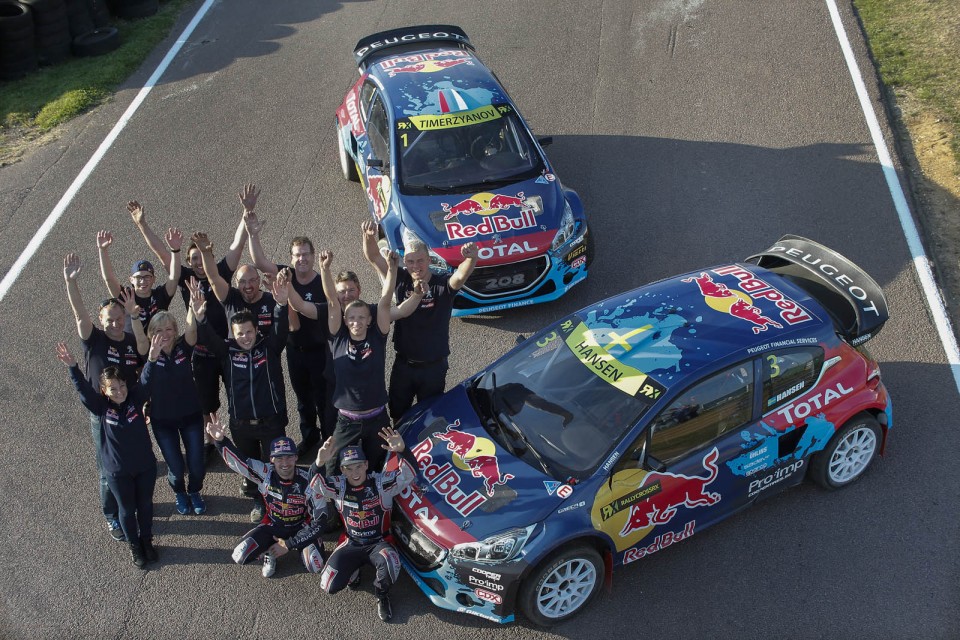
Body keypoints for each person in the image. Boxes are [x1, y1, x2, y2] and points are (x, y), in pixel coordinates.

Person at [127, 193, 250, 444]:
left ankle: (242, 440)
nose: (198, 263)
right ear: (188, 263)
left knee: (238, 396)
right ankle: (210, 443)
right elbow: (162, 253)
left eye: (201, 257)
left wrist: (247, 212)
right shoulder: (185, 279)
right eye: (192, 259)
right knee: (206, 405)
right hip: (200, 352)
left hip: (226, 349)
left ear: (210, 255)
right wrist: (142, 224)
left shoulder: (222, 272)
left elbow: (237, 245)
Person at [57, 334, 164, 569]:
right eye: (113, 388)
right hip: (118, 472)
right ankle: (134, 545)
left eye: (122, 386)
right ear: (104, 391)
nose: (120, 391)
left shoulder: (135, 399)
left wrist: (153, 359)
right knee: (127, 509)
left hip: (145, 466)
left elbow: (146, 381)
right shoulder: (101, 407)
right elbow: (84, 391)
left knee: (145, 505)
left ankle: (147, 541)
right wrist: (73, 368)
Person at [193, 269, 291, 522]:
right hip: (241, 424)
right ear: (232, 334)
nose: (245, 338)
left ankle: (279, 505)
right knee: (251, 467)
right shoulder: (227, 352)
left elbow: (280, 330)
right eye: (239, 334)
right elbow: (207, 337)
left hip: (272, 421)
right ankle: (259, 501)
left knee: (275, 467)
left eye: (248, 332)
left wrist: (281, 304)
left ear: (256, 330)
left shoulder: (269, 347)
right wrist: (200, 315)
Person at [63, 252, 148, 542]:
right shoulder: (94, 339)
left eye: (118, 318)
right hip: (102, 411)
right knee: (106, 468)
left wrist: (134, 316)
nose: (114, 323)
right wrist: (71, 282)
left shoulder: (128, 341)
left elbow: (144, 355)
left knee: (135, 460)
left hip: (130, 408)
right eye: (109, 319)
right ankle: (112, 515)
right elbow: (79, 314)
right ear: (101, 320)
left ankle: (131, 503)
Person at [362, 221, 479, 422]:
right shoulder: (400, 278)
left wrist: (471, 258)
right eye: (410, 261)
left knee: (430, 418)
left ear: (429, 259)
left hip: (433, 369)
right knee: (397, 415)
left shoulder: (442, 284)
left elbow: (460, 276)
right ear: (405, 262)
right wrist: (368, 236)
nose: (416, 266)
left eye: (420, 260)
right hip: (404, 366)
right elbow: (373, 257)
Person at [319, 248, 422, 473]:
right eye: (352, 318)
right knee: (332, 468)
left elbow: (385, 300)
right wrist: (325, 269)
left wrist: (393, 269)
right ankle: (331, 507)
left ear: (369, 320)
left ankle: (375, 504)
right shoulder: (337, 338)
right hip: (347, 420)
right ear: (345, 321)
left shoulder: (378, 336)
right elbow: (332, 302)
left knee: (379, 466)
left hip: (377, 418)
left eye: (361, 318)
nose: (356, 322)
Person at [247, 209, 330, 458]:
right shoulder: (286, 273)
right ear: (291, 258)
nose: (301, 259)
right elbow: (259, 261)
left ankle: (328, 443)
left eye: (305, 254)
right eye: (296, 255)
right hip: (295, 351)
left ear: (313, 256)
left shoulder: (322, 284)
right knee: (303, 399)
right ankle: (309, 437)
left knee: (324, 400)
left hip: (320, 351)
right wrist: (253, 234)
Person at [310, 429, 416, 622]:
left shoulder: (381, 483)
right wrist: (319, 463)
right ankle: (354, 569)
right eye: (349, 468)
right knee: (328, 585)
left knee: (391, 564)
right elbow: (314, 484)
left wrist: (402, 450)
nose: (355, 472)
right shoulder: (338, 485)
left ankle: (382, 595)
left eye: (358, 466)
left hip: (379, 542)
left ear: (366, 465)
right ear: (342, 470)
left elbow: (408, 475)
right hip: (352, 542)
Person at [205, 415, 328, 578]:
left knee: (315, 565)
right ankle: (270, 552)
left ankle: (298, 547)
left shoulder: (310, 480)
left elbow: (321, 521)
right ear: (271, 459)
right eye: (279, 458)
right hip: (273, 524)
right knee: (239, 556)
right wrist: (221, 441)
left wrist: (290, 544)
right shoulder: (265, 472)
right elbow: (239, 463)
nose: (285, 463)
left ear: (296, 457)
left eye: (289, 456)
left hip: (301, 526)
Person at [144, 294, 206, 516]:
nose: (164, 335)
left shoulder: (183, 348)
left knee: (197, 464)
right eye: (158, 331)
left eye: (169, 329)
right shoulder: (149, 355)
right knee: (177, 469)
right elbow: (143, 384)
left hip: (191, 416)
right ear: (151, 334)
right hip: (163, 421)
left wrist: (192, 307)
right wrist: (151, 359)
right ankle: (180, 492)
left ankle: (195, 491)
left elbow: (191, 330)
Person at [191, 231, 278, 335]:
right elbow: (213, 278)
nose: (247, 286)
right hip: (234, 351)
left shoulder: (272, 300)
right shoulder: (231, 298)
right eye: (242, 281)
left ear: (259, 280)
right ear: (236, 282)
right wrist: (206, 253)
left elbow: (291, 327)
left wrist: (280, 295)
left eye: (252, 280)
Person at [95, 227, 182, 330]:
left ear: (154, 279)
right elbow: (109, 279)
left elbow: (174, 277)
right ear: (131, 279)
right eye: (138, 277)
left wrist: (175, 251)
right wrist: (102, 250)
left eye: (147, 277)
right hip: (133, 344)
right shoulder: (126, 296)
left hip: (159, 342)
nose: (143, 281)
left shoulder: (160, 295)